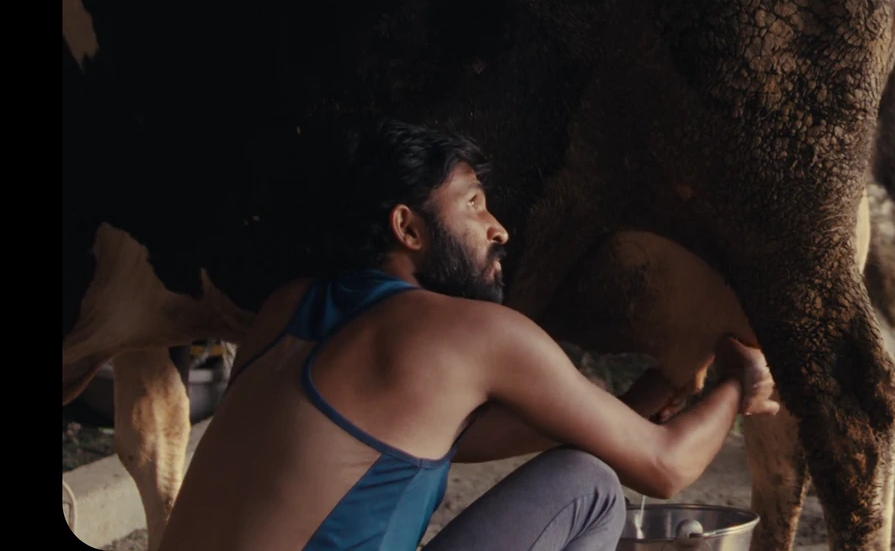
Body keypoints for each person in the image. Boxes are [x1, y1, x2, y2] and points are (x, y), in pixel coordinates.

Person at [158, 120, 779, 551]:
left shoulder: (287, 309)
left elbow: (450, 438)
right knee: (587, 487)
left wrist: (659, 386)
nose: (498, 228)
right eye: (474, 203)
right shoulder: (467, 333)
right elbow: (667, 467)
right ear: (408, 228)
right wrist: (737, 385)